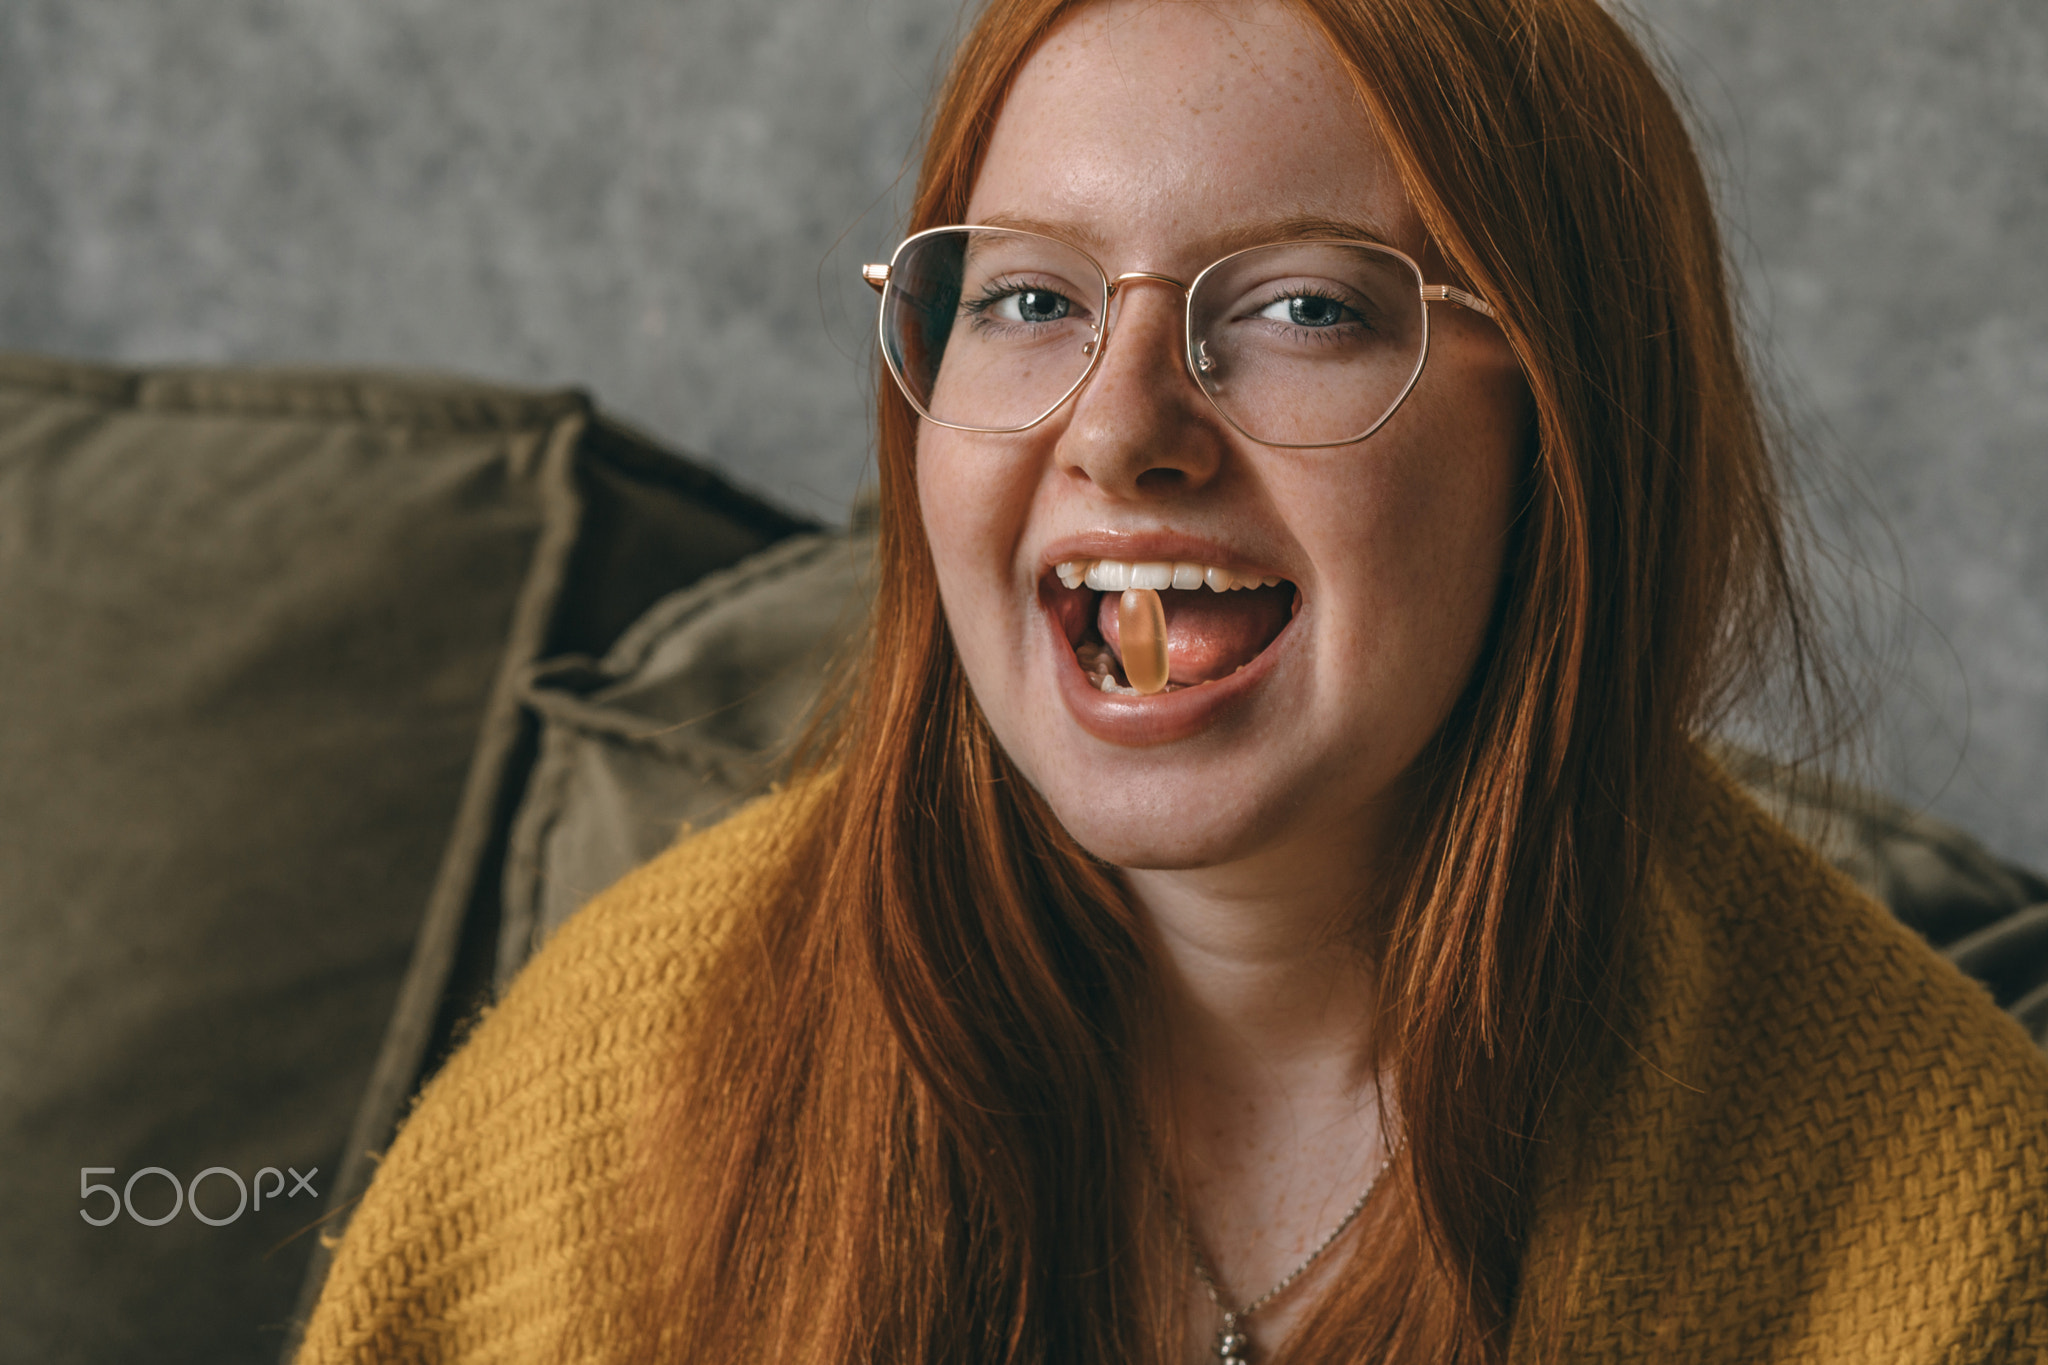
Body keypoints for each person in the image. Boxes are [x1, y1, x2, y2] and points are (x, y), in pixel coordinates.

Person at [295, 0, 2048, 1360]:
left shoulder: (1963, 1215)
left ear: (1573, 427)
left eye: (1302, 310)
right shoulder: (631, 1054)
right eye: (1034, 300)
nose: (1120, 430)